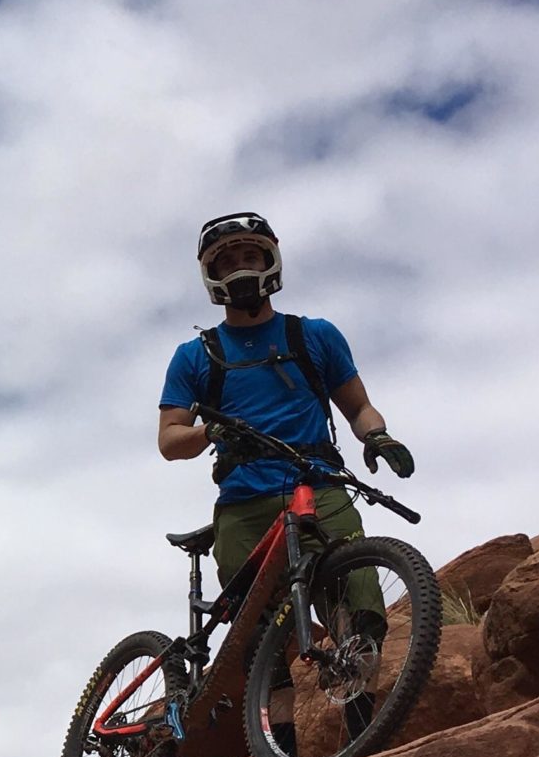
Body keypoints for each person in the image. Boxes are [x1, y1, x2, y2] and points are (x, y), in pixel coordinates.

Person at [157, 212, 414, 609]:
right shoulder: (194, 356)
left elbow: (359, 406)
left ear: (268, 262)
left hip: (319, 488)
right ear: (211, 274)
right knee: (256, 635)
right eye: (227, 261)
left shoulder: (315, 335)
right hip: (243, 501)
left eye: (249, 256)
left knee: (359, 603)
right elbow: (170, 439)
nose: (239, 266)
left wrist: (378, 436)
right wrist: (208, 433)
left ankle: (360, 661)